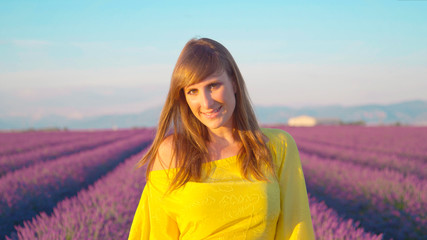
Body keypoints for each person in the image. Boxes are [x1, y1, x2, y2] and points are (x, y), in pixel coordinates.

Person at [128, 37, 315, 240]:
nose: (206, 102)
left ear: (234, 82)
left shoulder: (277, 146)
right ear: (184, 97)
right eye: (193, 91)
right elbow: (156, 234)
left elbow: (297, 230)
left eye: (213, 85)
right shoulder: (171, 153)